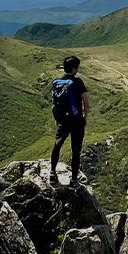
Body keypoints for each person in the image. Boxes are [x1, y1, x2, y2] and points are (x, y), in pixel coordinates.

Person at [49, 55, 89, 187]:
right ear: (74, 69)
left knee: (57, 144)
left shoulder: (58, 82)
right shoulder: (78, 82)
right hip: (76, 121)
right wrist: (85, 117)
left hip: (63, 120)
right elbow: (86, 102)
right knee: (76, 150)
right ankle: (73, 180)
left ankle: (52, 173)